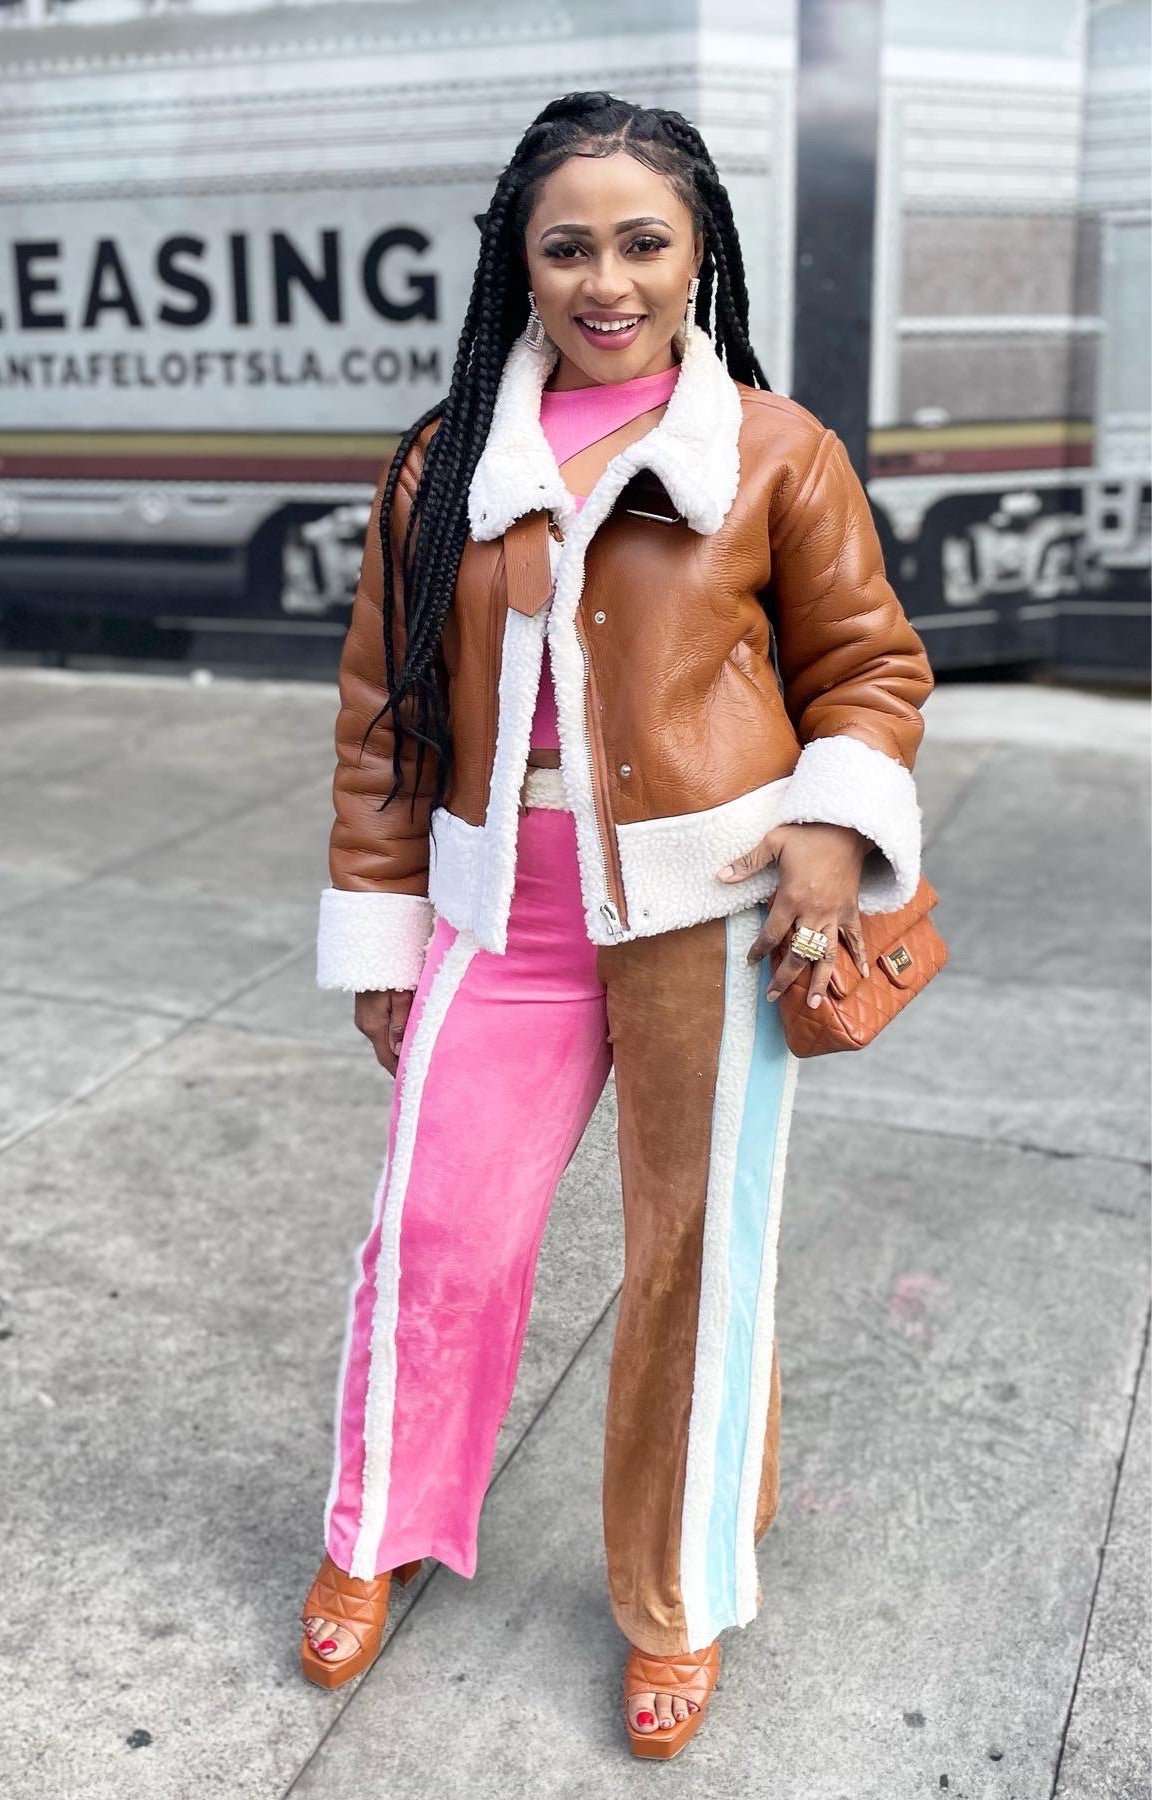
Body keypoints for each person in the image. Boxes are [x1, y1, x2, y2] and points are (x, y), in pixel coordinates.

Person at [299, 90, 934, 1760]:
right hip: (495, 911)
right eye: (567, 246)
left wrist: (834, 824)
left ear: (696, 250)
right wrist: (381, 928)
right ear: (520, 262)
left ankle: (678, 1595)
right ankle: (378, 1528)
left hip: (710, 917)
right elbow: (383, 719)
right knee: (438, 1233)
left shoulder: (777, 452)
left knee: (693, 1267)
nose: (606, 280)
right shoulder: (444, 462)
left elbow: (870, 669)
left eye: (642, 243)